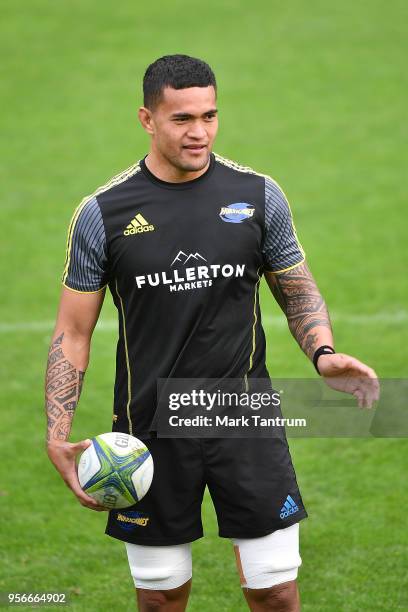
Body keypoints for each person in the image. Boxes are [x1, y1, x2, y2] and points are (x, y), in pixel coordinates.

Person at [45, 54, 379, 611]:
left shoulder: (258, 194)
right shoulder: (102, 213)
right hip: (149, 431)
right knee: (160, 600)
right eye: (182, 119)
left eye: (209, 116)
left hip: (243, 419)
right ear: (147, 119)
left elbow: (296, 287)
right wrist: (58, 431)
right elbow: (73, 332)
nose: (199, 132)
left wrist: (323, 352)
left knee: (275, 591)